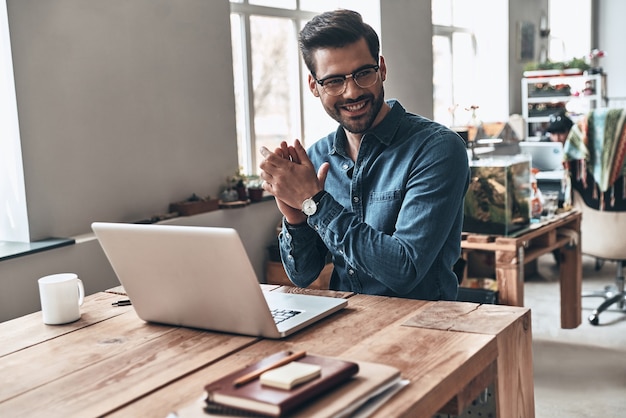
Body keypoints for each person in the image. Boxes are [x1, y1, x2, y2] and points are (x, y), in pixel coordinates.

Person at [258, 9, 470, 301]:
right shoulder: (318, 157)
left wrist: (317, 204)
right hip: (347, 325)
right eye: (333, 81)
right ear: (314, 87)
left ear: (381, 69)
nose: (351, 92)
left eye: (363, 73)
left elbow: (404, 270)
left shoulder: (437, 148)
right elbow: (304, 274)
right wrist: (295, 218)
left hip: (423, 330)